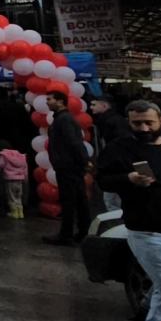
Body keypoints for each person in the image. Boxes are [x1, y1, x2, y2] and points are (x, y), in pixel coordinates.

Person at [93, 101, 161, 321]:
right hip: (145, 230)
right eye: (137, 123)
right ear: (128, 122)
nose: (144, 128)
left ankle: (142, 316)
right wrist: (128, 179)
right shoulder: (118, 149)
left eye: (149, 122)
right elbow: (102, 180)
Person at [43, 90, 91, 245]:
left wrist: (84, 160)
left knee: (71, 201)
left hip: (68, 166)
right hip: (68, 165)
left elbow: (74, 142)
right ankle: (81, 232)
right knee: (77, 200)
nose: (47, 102)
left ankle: (68, 234)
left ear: (60, 101)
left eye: (50, 99)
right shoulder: (63, 119)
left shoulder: (64, 120)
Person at [0, 144, 28, 218]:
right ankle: (20, 213)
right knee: (18, 196)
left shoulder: (4, 155)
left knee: (12, 196)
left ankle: (14, 212)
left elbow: (0, 164)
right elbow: (25, 170)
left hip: (10, 180)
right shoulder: (21, 157)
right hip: (20, 180)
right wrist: (25, 179)